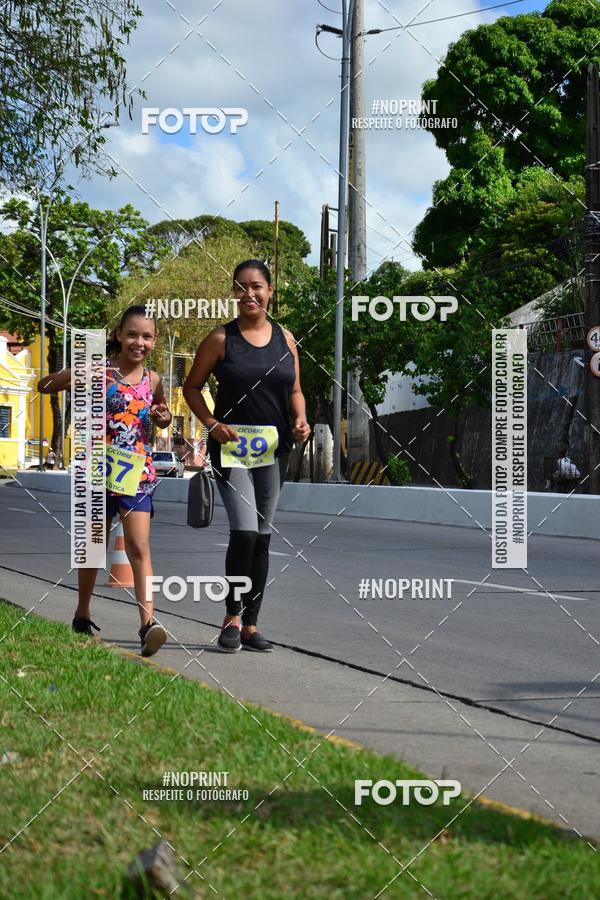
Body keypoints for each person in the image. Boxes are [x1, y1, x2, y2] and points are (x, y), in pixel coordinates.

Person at [183, 259, 311, 653]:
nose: (249, 294)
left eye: (256, 286)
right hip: (233, 449)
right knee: (245, 532)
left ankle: (252, 625)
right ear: (234, 294)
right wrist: (211, 422)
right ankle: (231, 616)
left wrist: (302, 417)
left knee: (263, 538)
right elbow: (192, 387)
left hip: (273, 452)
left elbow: (294, 390)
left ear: (270, 291)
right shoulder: (222, 339)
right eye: (241, 288)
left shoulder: (286, 339)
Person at [37, 305, 172, 657]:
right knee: (93, 548)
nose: (138, 342)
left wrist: (163, 416)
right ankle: (82, 614)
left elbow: (162, 417)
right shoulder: (100, 373)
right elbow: (45, 386)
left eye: (146, 336)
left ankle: (148, 625)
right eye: (131, 334)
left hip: (136, 475)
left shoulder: (154, 380)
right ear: (118, 336)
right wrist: (75, 372)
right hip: (96, 472)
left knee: (139, 548)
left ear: (154, 341)